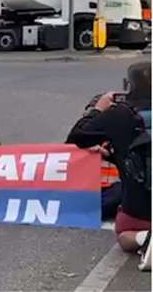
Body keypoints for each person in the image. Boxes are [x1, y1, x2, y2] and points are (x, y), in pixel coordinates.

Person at [66, 61, 151, 254]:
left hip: (140, 212)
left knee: (124, 234)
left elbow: (76, 137)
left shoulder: (119, 114)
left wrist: (98, 109)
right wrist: (114, 156)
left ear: (128, 86)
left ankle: (144, 237)